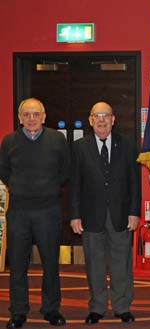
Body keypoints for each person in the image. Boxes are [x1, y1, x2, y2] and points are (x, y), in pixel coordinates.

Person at [0, 98, 70, 328]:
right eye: (26, 114)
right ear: (19, 118)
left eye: (36, 114)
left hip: (48, 210)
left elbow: (65, 170)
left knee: (51, 263)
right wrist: (20, 187)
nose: (31, 118)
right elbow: (4, 170)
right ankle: (18, 311)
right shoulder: (9, 141)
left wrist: (48, 188)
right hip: (19, 211)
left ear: (44, 116)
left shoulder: (57, 139)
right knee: (18, 264)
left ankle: (51, 309)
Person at [69, 102, 141, 325]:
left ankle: (122, 306)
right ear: (90, 120)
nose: (101, 120)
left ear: (113, 119)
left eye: (106, 116)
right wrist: (75, 214)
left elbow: (134, 182)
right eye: (97, 116)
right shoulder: (79, 147)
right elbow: (75, 185)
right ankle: (97, 307)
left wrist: (133, 212)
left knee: (121, 263)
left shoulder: (128, 145)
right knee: (95, 264)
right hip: (90, 216)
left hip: (121, 214)